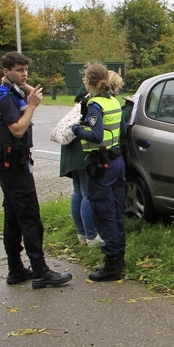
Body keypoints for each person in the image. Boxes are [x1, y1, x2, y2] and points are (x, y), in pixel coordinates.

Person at [0, 52, 73, 289]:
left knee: (13, 218)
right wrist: (32, 106)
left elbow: (31, 96)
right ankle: (40, 271)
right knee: (30, 218)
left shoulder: (9, 91)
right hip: (13, 166)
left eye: (26, 69)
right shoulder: (6, 97)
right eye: (19, 70)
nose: (24, 74)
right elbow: (17, 129)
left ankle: (16, 269)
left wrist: (22, 85)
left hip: (11, 164)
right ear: (6, 71)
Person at [71, 64, 126, 282]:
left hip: (101, 165)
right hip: (117, 161)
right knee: (117, 211)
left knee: (104, 213)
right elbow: (120, 130)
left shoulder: (95, 105)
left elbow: (95, 135)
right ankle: (119, 257)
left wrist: (77, 129)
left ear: (88, 82)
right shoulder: (113, 101)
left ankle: (111, 264)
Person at [59, 98, 103, 247]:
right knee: (87, 194)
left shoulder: (82, 101)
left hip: (72, 151)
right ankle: (92, 236)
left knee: (78, 192)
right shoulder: (95, 102)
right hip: (82, 153)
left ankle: (82, 234)